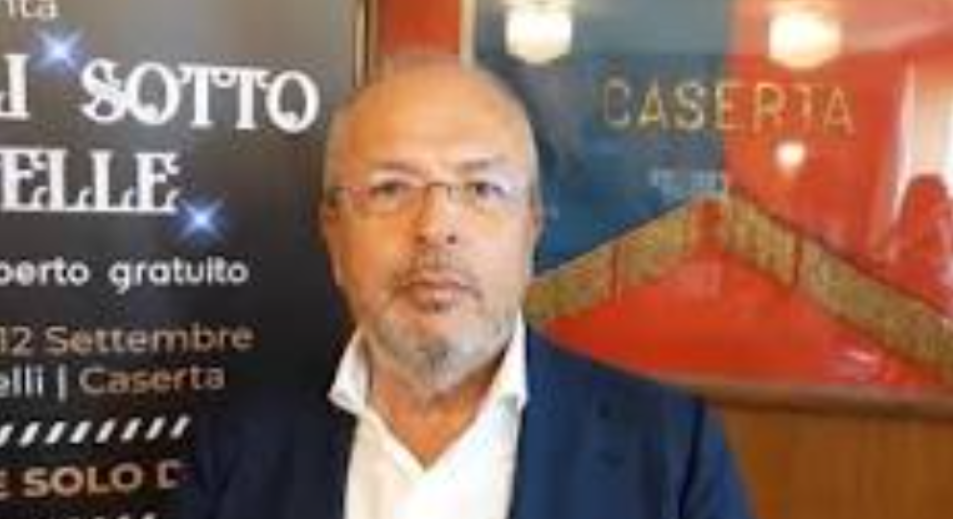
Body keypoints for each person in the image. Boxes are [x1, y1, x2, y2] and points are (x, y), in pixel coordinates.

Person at [170, 57, 753, 519]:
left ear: (531, 229)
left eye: (481, 189)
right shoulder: (236, 445)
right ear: (334, 234)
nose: (435, 227)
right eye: (391, 188)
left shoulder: (673, 452)